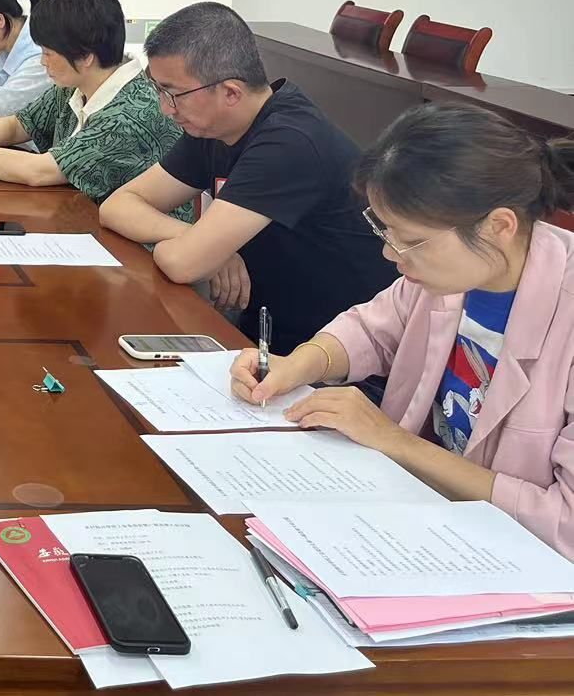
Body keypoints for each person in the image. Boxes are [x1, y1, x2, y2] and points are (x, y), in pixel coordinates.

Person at [232, 105, 574, 557]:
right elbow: (372, 330)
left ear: (498, 226)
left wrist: (392, 440)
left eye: (411, 241)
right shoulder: (455, 274)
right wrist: (297, 364)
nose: (392, 256)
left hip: (514, 563)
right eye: (387, 233)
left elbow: (565, 523)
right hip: (412, 520)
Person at [99, 1, 395, 350]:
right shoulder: (213, 127)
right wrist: (195, 238)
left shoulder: (289, 142)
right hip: (264, 331)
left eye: (174, 94)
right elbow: (117, 206)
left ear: (231, 92)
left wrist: (199, 249)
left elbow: (182, 263)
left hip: (332, 353)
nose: (166, 109)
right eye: (159, 91)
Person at [0, 0, 185, 207]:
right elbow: (17, 125)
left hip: (135, 248)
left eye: (48, 53)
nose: (42, 62)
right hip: (80, 214)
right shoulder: (74, 86)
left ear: (85, 56)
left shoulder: (128, 113)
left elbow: (40, 171)